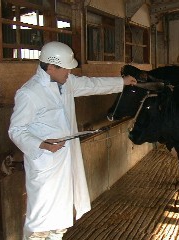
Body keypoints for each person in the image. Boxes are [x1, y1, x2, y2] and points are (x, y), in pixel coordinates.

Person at [8, 41, 137, 240]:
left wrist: (122, 82)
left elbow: (92, 84)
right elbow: (16, 130)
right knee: (40, 223)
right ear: (51, 67)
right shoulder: (29, 93)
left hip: (66, 159)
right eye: (66, 69)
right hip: (45, 163)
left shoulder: (65, 83)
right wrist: (41, 143)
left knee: (60, 220)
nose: (69, 72)